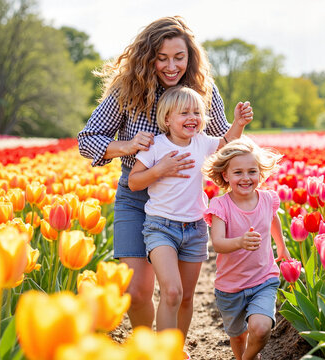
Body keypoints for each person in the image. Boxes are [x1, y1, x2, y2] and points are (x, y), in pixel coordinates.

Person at [77, 15, 253, 332]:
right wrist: (127, 145)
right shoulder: (126, 89)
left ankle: (169, 348)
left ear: (190, 57)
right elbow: (87, 141)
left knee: (178, 294)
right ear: (149, 58)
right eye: (162, 58)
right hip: (136, 196)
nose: (171, 66)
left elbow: (220, 143)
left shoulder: (203, 90)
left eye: (179, 57)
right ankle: (149, 347)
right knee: (138, 290)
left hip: (184, 203)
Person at [127, 86, 250, 352]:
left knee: (185, 297)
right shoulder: (156, 146)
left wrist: (238, 123)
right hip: (160, 227)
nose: (192, 117)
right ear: (167, 119)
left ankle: (177, 348)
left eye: (196, 112)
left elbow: (227, 144)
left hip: (194, 228)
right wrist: (160, 169)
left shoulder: (202, 142)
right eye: (184, 112)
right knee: (171, 291)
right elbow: (134, 182)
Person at [203, 136, 290, 360]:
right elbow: (219, 244)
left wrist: (281, 246)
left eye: (252, 171)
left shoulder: (267, 199)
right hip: (230, 286)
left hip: (263, 279)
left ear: (261, 173)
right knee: (239, 336)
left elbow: (273, 220)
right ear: (225, 175)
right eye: (238, 172)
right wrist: (240, 242)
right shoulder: (220, 205)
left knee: (261, 329)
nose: (246, 178)